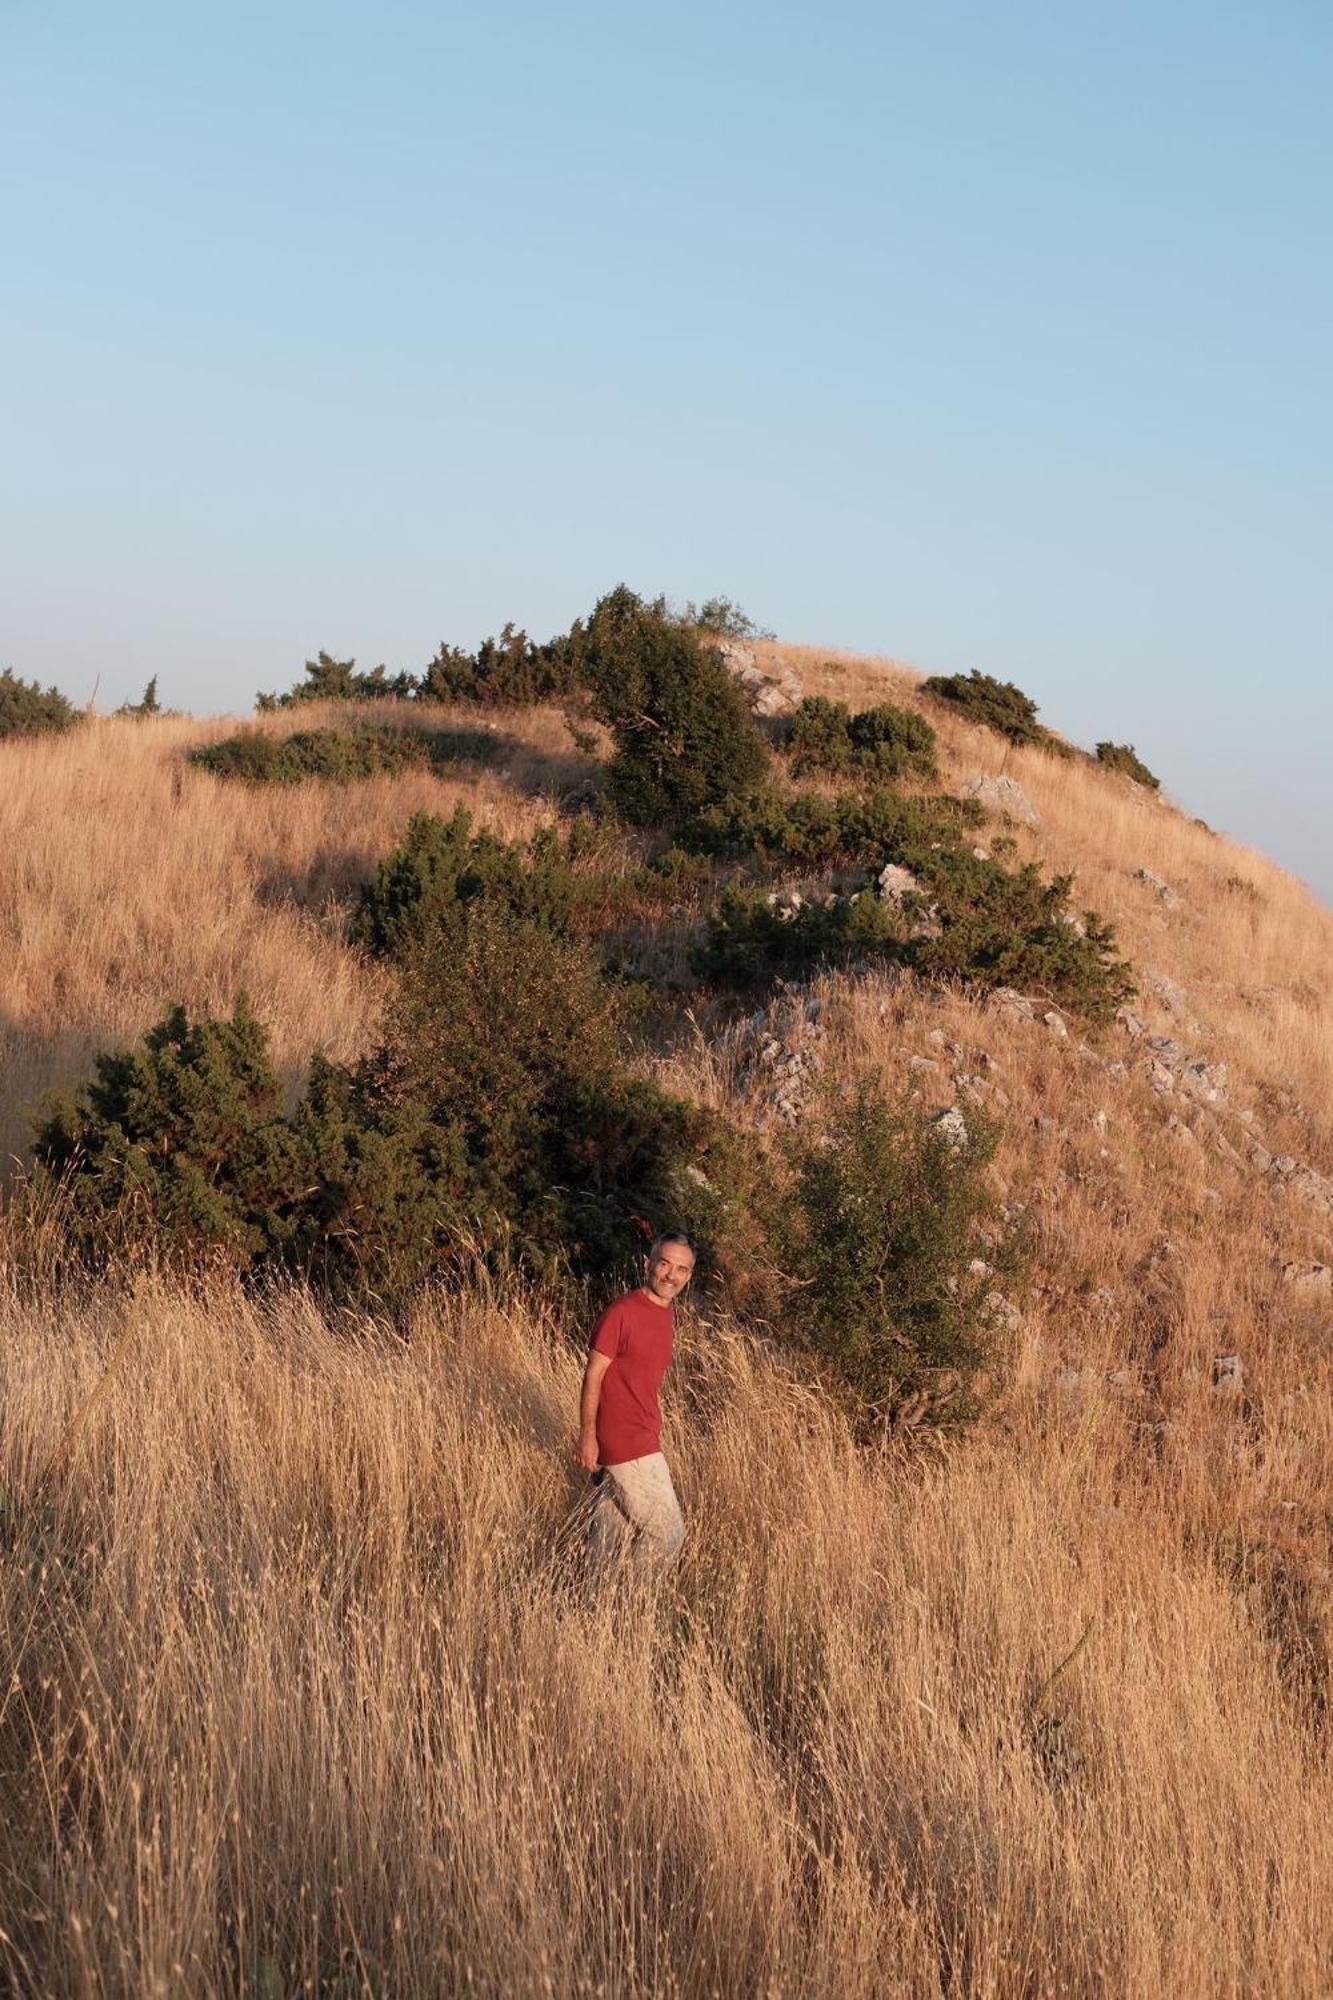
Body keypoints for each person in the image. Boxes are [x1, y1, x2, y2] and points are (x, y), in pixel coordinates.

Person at [575, 1234, 695, 1572]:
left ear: (688, 1277)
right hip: (626, 1440)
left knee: (609, 1540)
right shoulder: (623, 1313)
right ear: (648, 1264)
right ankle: (633, 1604)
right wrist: (587, 1435)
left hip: (642, 1433)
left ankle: (597, 1612)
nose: (672, 1275)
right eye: (665, 1264)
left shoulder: (665, 1314)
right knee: (668, 1534)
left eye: (681, 1269)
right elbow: (593, 1375)